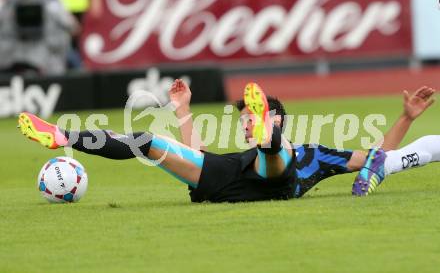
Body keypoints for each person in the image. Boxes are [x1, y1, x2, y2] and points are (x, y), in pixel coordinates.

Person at [17, 81, 438, 202]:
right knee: (145, 140)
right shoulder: (243, 153)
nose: (241, 125)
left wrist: (405, 117)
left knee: (278, 159)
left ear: (277, 116)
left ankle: (270, 141)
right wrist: (183, 109)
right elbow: (195, 157)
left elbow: (378, 157)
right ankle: (61, 135)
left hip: (278, 178)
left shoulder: (316, 154)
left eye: (250, 118)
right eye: (245, 120)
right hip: (228, 178)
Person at [0, 0, 79, 75]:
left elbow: (73, 27)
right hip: (15, 58)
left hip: (49, 60)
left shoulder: (51, 6)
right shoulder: (11, 5)